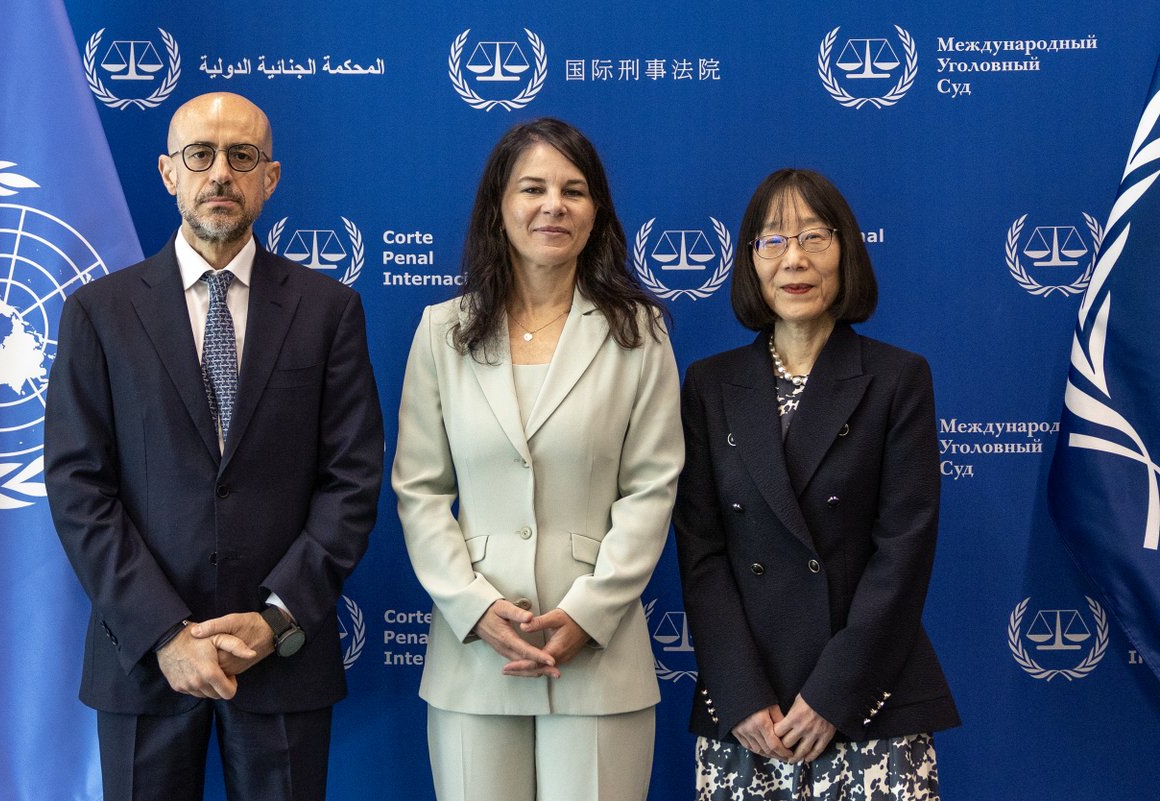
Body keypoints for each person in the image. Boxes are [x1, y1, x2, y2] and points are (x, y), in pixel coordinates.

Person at [44, 92, 383, 801]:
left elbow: (351, 480)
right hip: (143, 660)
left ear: (271, 176)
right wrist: (165, 633)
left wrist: (276, 618)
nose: (220, 173)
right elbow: (79, 485)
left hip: (281, 658)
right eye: (201, 155)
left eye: (242, 156)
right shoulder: (99, 314)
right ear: (170, 173)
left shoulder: (330, 312)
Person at [392, 117, 683, 801]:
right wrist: (474, 606)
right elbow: (419, 487)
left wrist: (589, 612)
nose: (553, 204)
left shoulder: (640, 332)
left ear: (596, 213)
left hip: (598, 656)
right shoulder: (443, 330)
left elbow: (652, 486)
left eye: (573, 190)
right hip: (475, 655)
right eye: (533, 188)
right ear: (499, 206)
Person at [675, 168, 959, 800]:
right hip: (748, 716)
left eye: (813, 237)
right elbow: (702, 553)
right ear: (750, 261)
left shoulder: (896, 379)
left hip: (867, 700)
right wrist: (739, 694)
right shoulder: (709, 385)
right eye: (772, 241)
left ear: (846, 252)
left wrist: (833, 693)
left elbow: (903, 550)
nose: (794, 258)